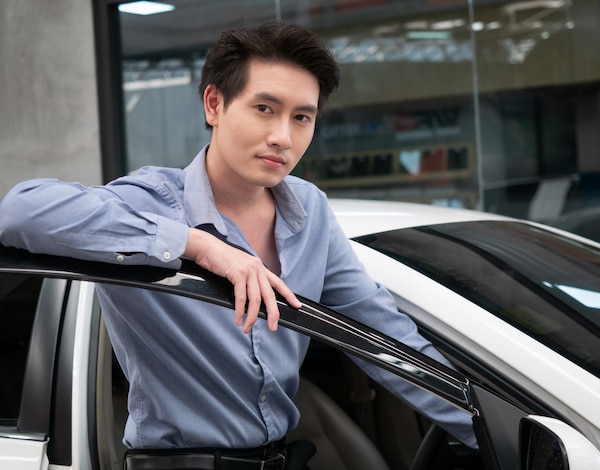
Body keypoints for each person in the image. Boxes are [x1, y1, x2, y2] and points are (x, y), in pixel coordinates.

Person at [0, 21, 477, 470]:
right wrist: (200, 246)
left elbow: (389, 343)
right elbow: (20, 212)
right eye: (264, 108)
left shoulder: (311, 212)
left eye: (302, 117)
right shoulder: (150, 202)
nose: (282, 137)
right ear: (214, 105)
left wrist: (492, 427)